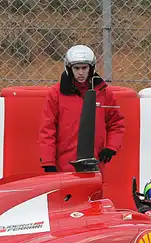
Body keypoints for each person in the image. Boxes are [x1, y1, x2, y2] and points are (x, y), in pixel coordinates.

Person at [38, 44, 125, 173]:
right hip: (64, 163)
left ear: (92, 68)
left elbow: (116, 123)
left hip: (94, 161)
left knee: (93, 193)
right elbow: (48, 129)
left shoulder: (103, 92)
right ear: (69, 68)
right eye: (76, 68)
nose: (80, 73)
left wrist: (111, 147)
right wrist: (48, 162)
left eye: (84, 68)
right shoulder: (56, 93)